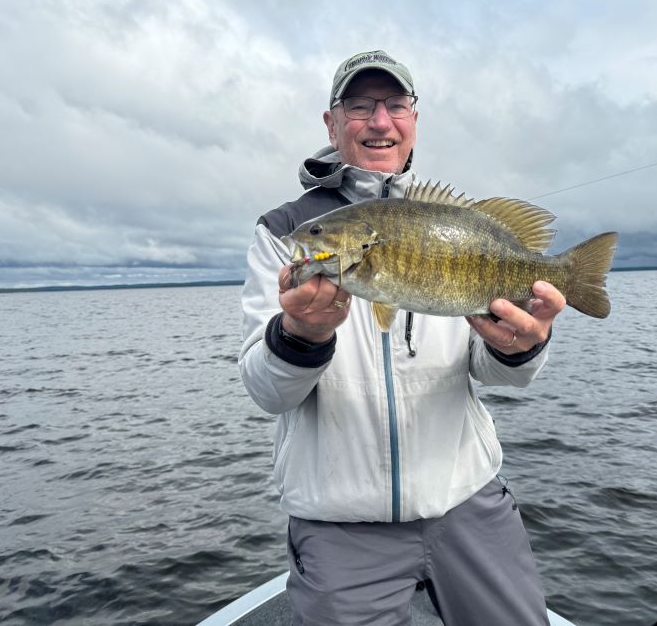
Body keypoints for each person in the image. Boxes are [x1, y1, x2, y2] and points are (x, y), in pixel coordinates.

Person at [239, 50, 566, 626]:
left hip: (469, 498)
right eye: (360, 106)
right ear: (331, 123)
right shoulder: (285, 231)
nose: (380, 121)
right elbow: (267, 392)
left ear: (414, 119)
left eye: (395, 105)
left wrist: (520, 347)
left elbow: (494, 371)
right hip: (340, 523)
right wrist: (300, 336)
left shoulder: (456, 223)